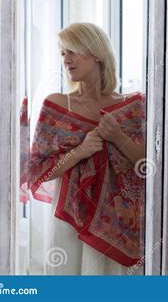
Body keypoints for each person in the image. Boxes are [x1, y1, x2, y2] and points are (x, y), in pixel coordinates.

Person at [27, 22, 146, 275]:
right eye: (62, 53)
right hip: (71, 218)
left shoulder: (133, 106)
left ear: (96, 54)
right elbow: (39, 171)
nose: (66, 60)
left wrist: (117, 135)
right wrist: (80, 151)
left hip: (120, 221)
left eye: (72, 51)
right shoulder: (57, 105)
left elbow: (145, 163)